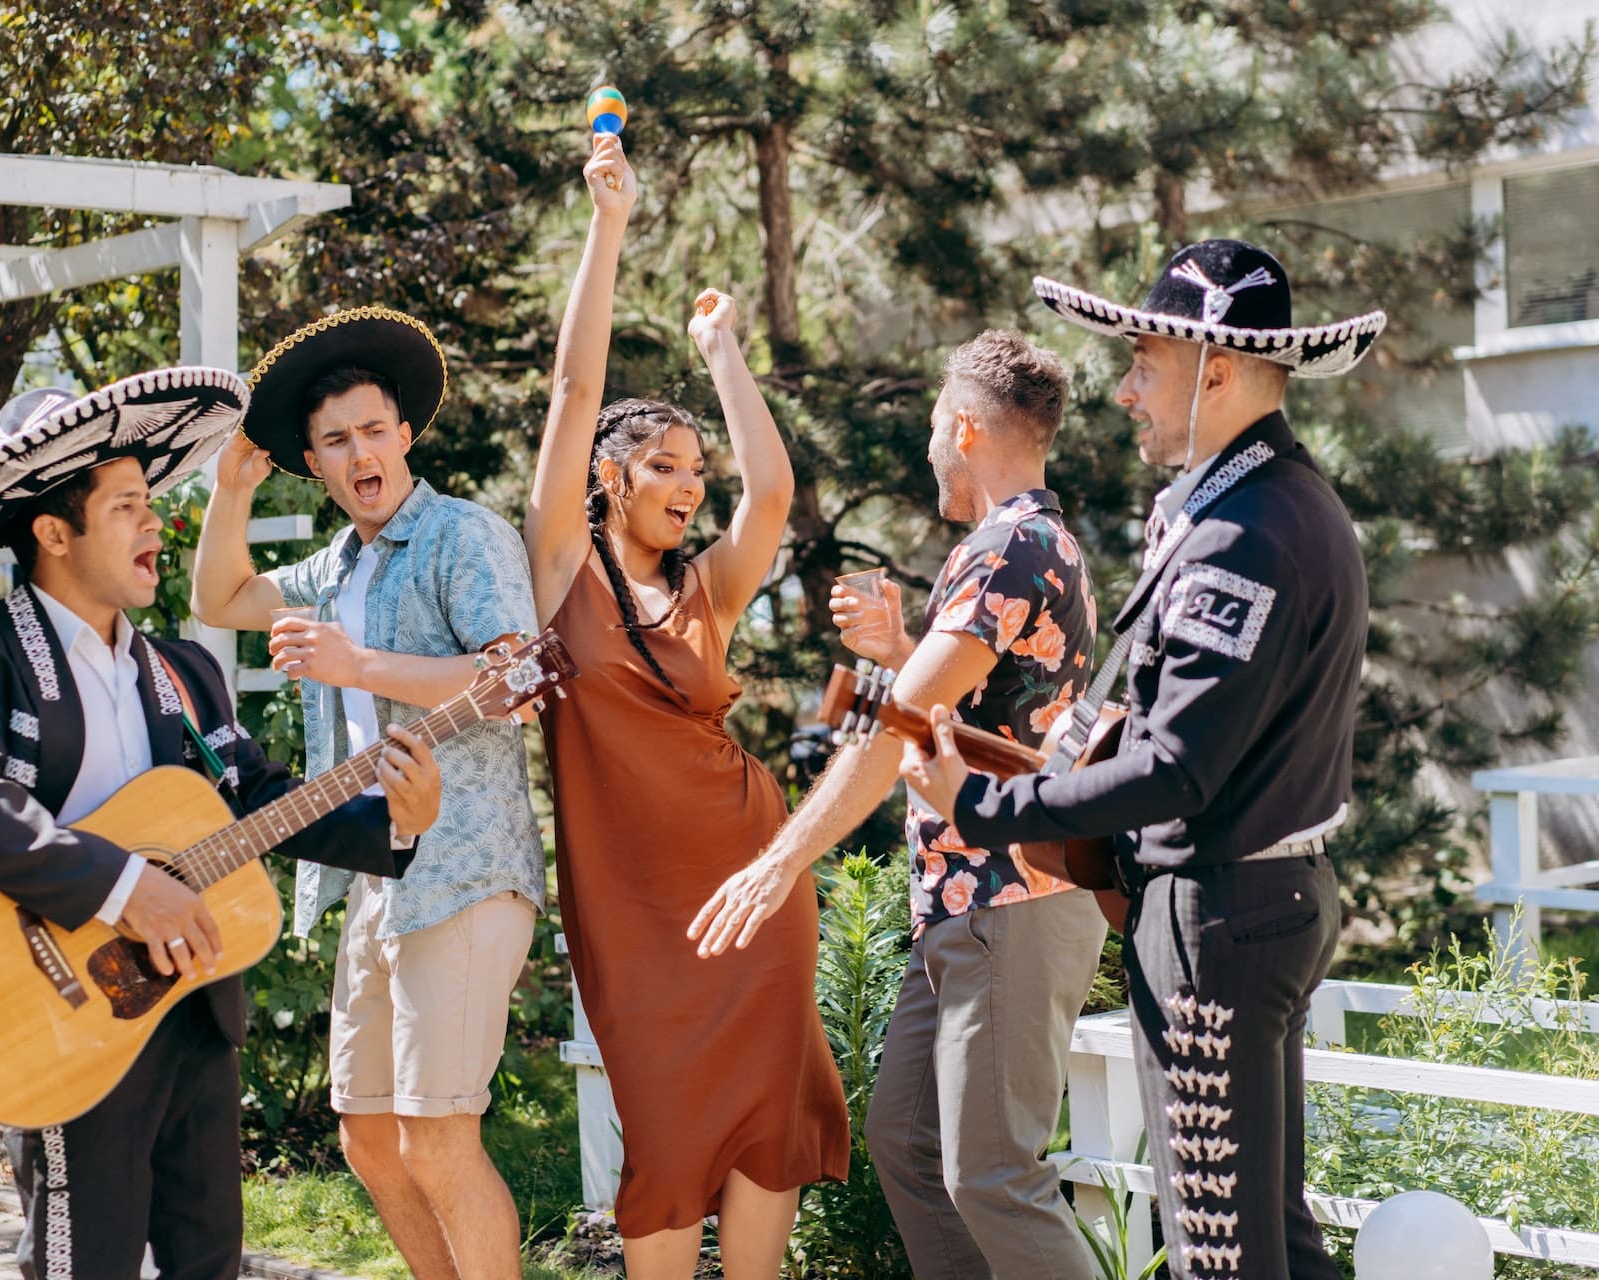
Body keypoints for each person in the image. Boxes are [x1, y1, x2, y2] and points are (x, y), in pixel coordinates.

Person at [0, 368, 442, 1280]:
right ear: (54, 532)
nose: (158, 525)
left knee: (210, 1262)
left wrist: (397, 826)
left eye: (155, 503)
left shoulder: (183, 671)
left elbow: (255, 799)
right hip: (62, 1010)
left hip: (189, 1009)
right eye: (130, 506)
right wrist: (124, 886)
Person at [901, 240, 1387, 1280]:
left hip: (1219, 910)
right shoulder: (1268, 504)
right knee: (1269, 1241)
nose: (1124, 389)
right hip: (1243, 900)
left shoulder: (1246, 532)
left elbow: (1174, 765)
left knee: (1221, 1247)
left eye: (1145, 362)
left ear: (1216, 368)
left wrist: (982, 802)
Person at [691, 329, 1107, 1279]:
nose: (929, 449)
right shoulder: (1017, 548)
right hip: (962, 905)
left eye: (931, 426)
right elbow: (961, 713)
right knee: (911, 1145)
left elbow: (897, 733)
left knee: (995, 1174)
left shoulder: (1010, 547)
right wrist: (900, 650)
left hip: (1014, 901)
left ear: (962, 426)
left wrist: (779, 859)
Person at [523, 131, 847, 1280]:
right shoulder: (561, 566)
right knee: (661, 1129)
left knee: (769, 1120)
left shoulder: (706, 587)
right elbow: (575, 388)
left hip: (754, 881)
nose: (689, 484)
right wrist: (608, 229)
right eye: (665, 465)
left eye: (693, 470)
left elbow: (773, 489)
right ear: (608, 479)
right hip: (634, 912)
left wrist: (722, 351)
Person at [190, 309, 543, 1280]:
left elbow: (517, 682)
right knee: (371, 1140)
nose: (361, 452)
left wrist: (361, 662)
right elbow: (217, 600)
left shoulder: (463, 535)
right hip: (376, 877)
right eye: (337, 439)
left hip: (466, 869)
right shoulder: (334, 565)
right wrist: (228, 493)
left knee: (438, 1140)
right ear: (315, 458)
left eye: (375, 429)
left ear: (407, 434)